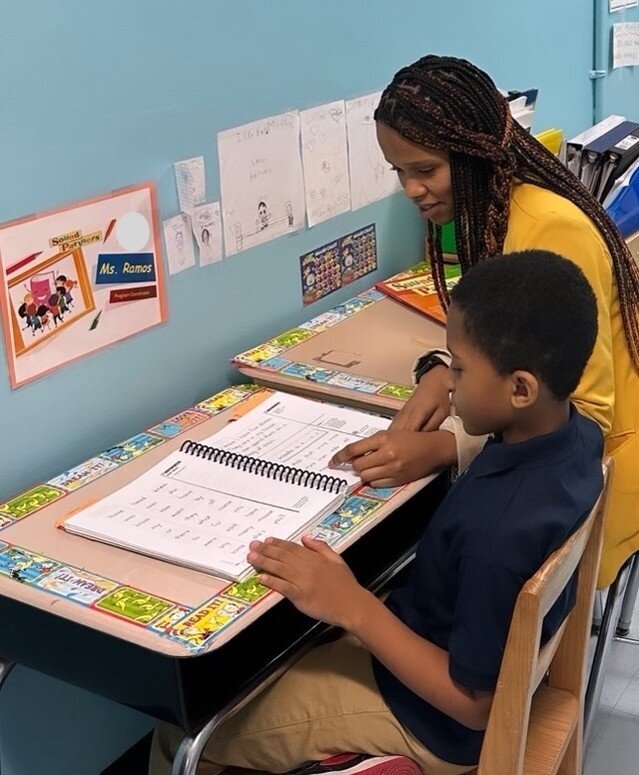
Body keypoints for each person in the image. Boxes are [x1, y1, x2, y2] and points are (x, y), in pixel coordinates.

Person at [149, 251, 604, 775]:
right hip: (451, 641)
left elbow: (475, 707)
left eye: (458, 368)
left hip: (434, 720)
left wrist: (354, 607)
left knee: (184, 733)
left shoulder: (496, 535)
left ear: (521, 389)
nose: (449, 384)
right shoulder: (578, 435)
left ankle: (370, 762)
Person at [331, 54, 639, 589]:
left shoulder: (548, 229)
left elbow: (584, 410)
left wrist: (450, 446)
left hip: (596, 464)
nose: (411, 190)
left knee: (456, 565)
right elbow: (508, 339)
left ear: (478, 153)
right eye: (399, 171)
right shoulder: (493, 212)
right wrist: (442, 371)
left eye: (426, 170)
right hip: (547, 451)